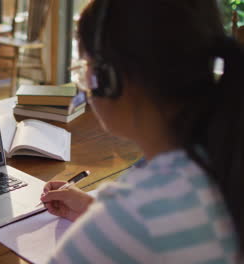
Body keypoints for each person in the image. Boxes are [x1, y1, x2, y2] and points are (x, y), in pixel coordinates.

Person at [40, 0, 243, 263]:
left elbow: (147, 220)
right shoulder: (222, 159)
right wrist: (97, 214)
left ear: (110, 78)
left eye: (84, 68)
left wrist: (111, 224)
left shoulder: (135, 212)